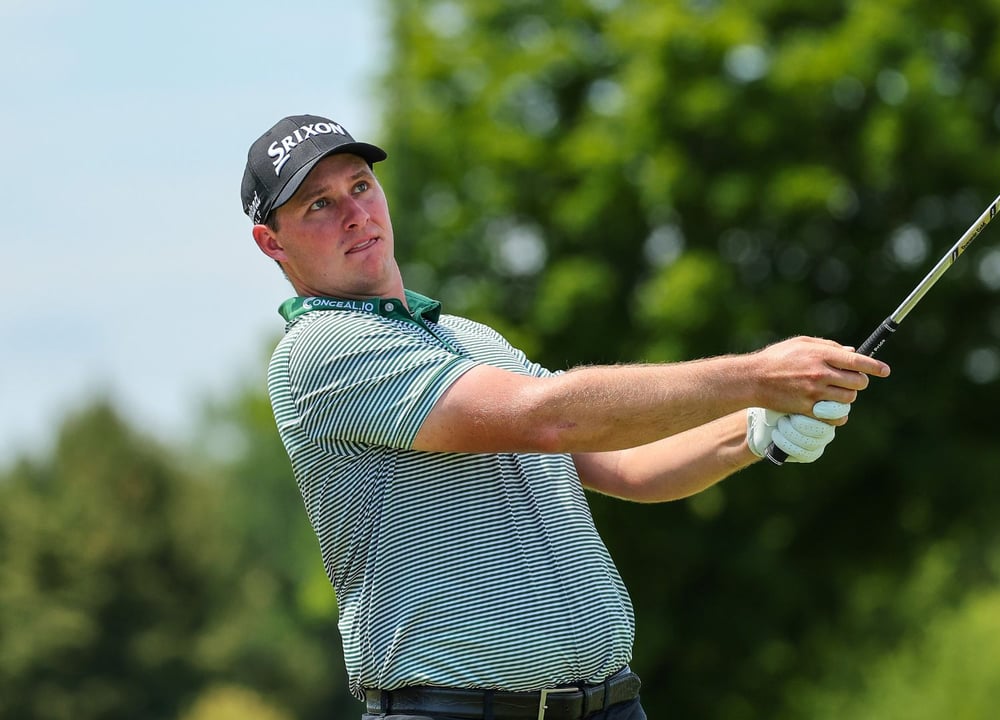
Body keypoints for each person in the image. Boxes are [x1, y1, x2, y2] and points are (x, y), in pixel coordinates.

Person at [241, 114, 890, 720]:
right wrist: (755, 376)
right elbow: (551, 417)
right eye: (319, 204)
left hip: (608, 704)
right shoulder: (321, 351)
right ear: (272, 243)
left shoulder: (472, 343)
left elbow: (624, 465)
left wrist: (755, 429)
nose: (356, 214)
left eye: (361, 185)